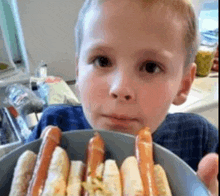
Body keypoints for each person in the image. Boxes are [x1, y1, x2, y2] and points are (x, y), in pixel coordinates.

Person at [26, 0, 219, 195]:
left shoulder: (199, 139)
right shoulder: (54, 124)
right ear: (78, 71)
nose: (120, 88)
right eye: (102, 61)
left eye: (150, 67)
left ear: (183, 84)